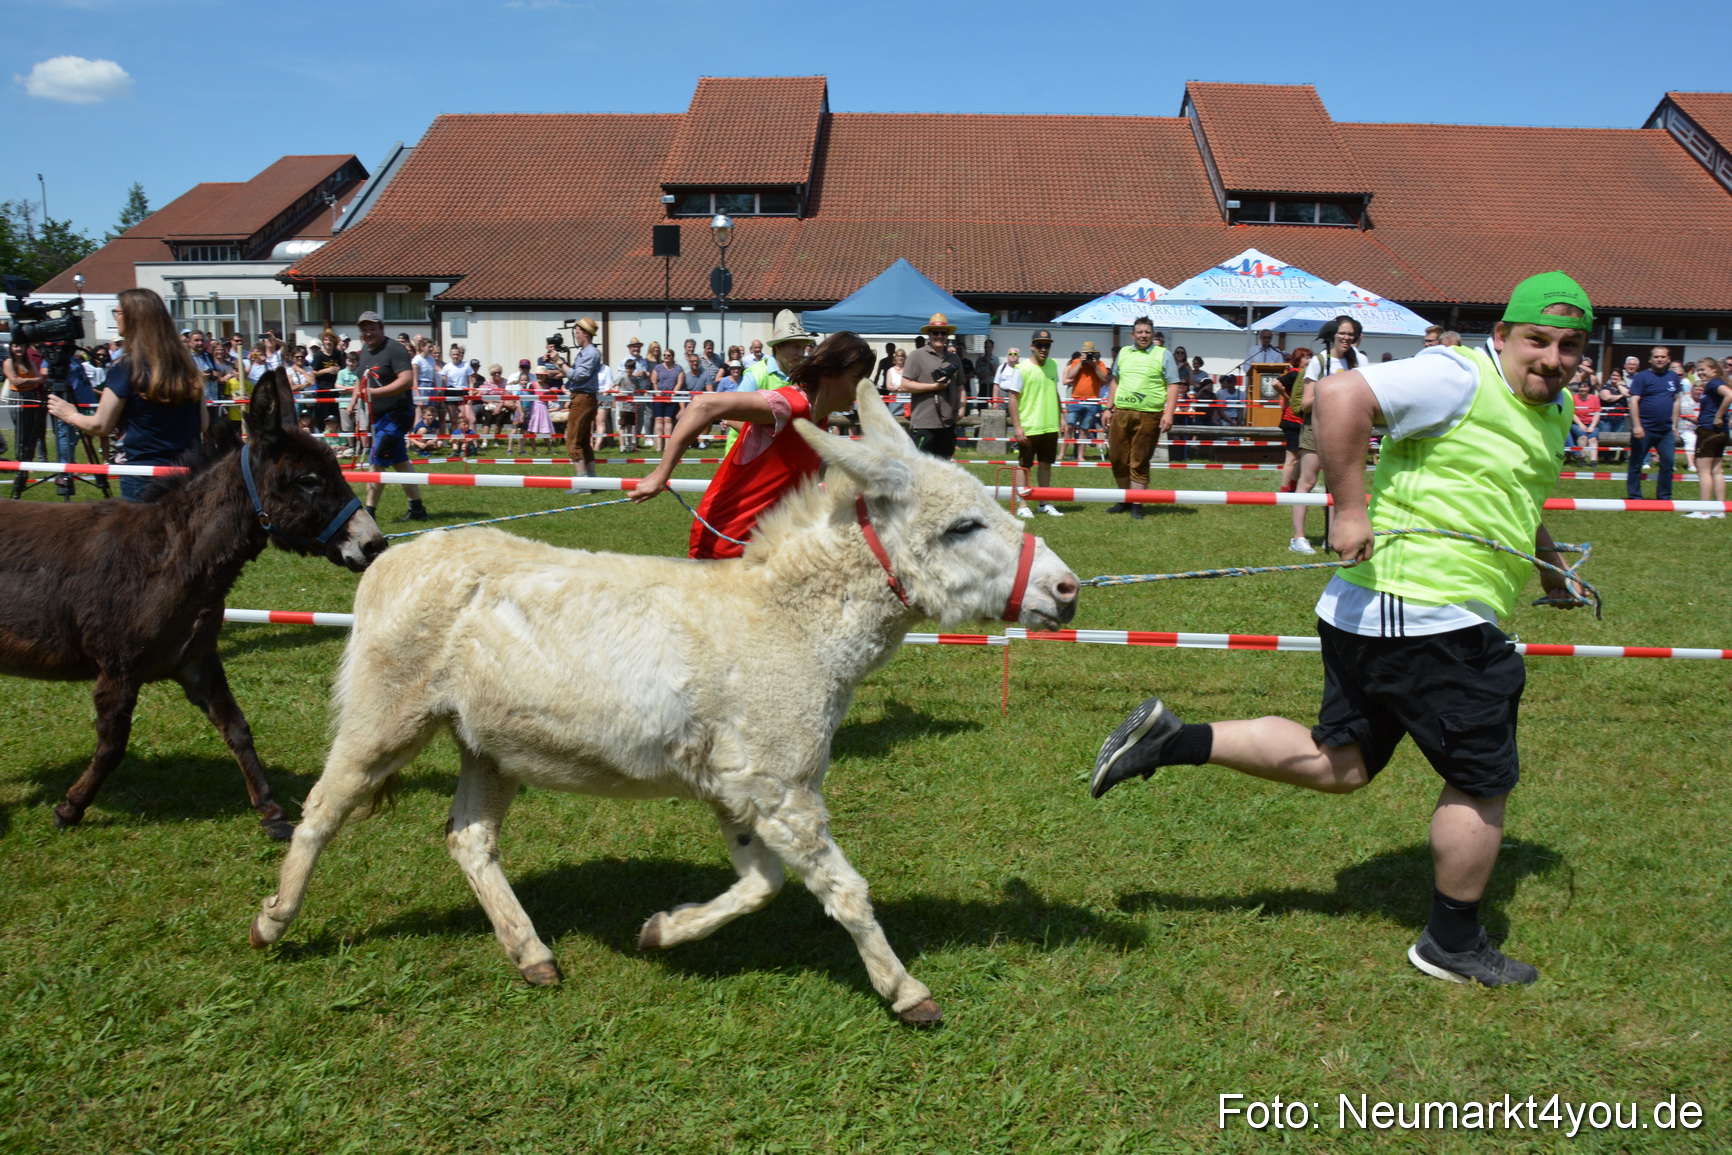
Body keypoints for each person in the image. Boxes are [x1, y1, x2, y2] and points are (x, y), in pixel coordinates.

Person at [1090, 271, 1598, 989]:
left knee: (1343, 764)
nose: (1552, 357)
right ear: (1504, 337)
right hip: (1425, 614)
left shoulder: (1553, 407)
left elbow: (1510, 491)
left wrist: (1548, 568)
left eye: (1569, 345)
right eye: (1537, 340)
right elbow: (1340, 395)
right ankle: (1451, 941)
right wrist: (1349, 508)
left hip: (1378, 612)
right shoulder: (1459, 375)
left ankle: (1173, 738)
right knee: (1482, 781)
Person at [632, 331, 875, 558]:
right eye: (857, 379)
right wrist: (660, 474)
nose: (863, 389)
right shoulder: (788, 405)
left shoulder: (818, 416)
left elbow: (802, 469)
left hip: (767, 547)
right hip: (727, 542)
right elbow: (703, 405)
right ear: (829, 373)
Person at [47, 288, 206, 502]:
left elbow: (100, 425)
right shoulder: (187, 366)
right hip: (189, 473)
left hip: (144, 476)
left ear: (133, 318)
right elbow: (203, 423)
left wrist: (69, 414)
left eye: (118, 312)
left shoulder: (126, 367)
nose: (116, 317)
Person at [1289, 315, 1365, 554]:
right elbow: (1306, 403)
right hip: (1316, 427)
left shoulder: (1360, 361)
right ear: (1332, 334)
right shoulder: (1319, 361)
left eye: (1351, 334)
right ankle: (1298, 537)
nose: (1346, 338)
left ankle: (1333, 536)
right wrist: (1332, 390)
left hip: (1345, 429)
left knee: (1338, 485)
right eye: (1342, 333)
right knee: (1308, 481)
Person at [351, 310, 427, 522]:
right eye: (364, 329)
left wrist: (374, 393)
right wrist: (354, 401)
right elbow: (361, 380)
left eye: (372, 328)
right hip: (379, 417)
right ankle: (417, 508)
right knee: (400, 461)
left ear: (381, 328)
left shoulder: (395, 349)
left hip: (398, 414)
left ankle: (369, 513)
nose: (368, 333)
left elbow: (405, 380)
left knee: (377, 460)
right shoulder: (364, 351)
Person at [1102, 317, 1180, 519]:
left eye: (1147, 332)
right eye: (1140, 332)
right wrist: (1108, 408)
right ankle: (1124, 499)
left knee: (1139, 460)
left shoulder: (1164, 355)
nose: (1144, 335)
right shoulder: (1123, 353)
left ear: (1152, 334)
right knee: (1118, 458)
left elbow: (1173, 384)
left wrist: (1169, 413)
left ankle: (1137, 503)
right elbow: (1115, 381)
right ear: (1133, 335)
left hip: (1149, 415)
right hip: (1121, 413)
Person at [728, 311, 817, 453]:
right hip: (744, 454)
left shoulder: (802, 377)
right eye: (795, 347)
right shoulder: (756, 375)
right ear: (778, 347)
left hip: (778, 455)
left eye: (802, 347)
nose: (800, 353)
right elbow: (732, 417)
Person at [1005, 329, 1064, 518]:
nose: (1043, 349)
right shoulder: (1022, 369)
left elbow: (1054, 392)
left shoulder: (1053, 365)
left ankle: (1044, 503)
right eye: (1039, 345)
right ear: (1032, 347)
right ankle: (1023, 505)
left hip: (1049, 425)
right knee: (1025, 466)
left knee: (1046, 464)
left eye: (1046, 345)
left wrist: (1061, 416)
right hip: (1029, 426)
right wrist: (1017, 426)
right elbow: (1012, 398)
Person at [902, 313, 966, 459]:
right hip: (923, 424)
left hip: (947, 424)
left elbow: (960, 386)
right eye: (935, 332)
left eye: (943, 332)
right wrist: (933, 387)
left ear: (947, 335)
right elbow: (905, 385)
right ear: (929, 334)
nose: (939, 336)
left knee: (944, 469)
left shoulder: (954, 358)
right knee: (919, 469)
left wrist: (961, 409)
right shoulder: (916, 356)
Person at [1626, 345, 1682, 500]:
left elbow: (1676, 400)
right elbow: (1633, 401)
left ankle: (1664, 497)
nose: (1659, 359)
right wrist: (1637, 425)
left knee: (1668, 464)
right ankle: (1635, 496)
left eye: (1663, 357)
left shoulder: (1674, 377)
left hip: (1665, 431)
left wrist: (1675, 425)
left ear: (1668, 359)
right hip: (1644, 429)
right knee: (1636, 464)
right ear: (1650, 359)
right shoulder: (1642, 377)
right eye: (1656, 357)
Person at [1687, 357, 1730, 519]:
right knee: (1716, 471)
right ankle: (1719, 510)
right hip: (1721, 432)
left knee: (1703, 471)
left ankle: (1703, 510)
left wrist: (1718, 416)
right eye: (1698, 370)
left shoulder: (1713, 383)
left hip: (1709, 431)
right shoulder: (1714, 384)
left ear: (1714, 370)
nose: (1700, 372)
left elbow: (1730, 395)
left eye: (1703, 369)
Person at [560, 317, 602, 476]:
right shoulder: (586, 353)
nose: (576, 336)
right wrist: (557, 363)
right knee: (583, 441)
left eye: (577, 332)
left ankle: (582, 483)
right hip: (584, 398)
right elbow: (573, 374)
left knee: (572, 441)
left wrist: (560, 362)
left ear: (585, 333)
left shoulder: (590, 353)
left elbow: (578, 376)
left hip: (582, 398)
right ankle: (591, 480)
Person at [1274, 348, 1313, 494]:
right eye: (1306, 357)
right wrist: (1287, 397)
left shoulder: (1305, 374)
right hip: (1292, 420)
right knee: (1291, 458)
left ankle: (1292, 486)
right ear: (1298, 359)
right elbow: (1275, 383)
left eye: (1310, 357)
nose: (1309, 360)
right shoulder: (1295, 373)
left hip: (1300, 420)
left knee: (1301, 457)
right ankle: (1284, 491)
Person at [1062, 341, 1107, 461]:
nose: (1088, 356)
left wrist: (1095, 366)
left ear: (1095, 353)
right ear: (1082, 354)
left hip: (1092, 401)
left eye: (1090, 354)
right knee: (1069, 427)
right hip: (1076, 399)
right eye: (1086, 354)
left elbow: (1104, 378)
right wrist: (1081, 362)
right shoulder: (1077, 362)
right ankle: (1061, 454)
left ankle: (1080, 456)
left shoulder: (1100, 364)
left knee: (1084, 429)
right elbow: (1070, 375)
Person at [309, 331, 345, 430]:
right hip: (323, 390)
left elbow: (344, 369)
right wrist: (327, 370)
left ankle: (337, 437)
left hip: (336, 390)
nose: (328, 342)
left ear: (333, 342)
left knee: (335, 415)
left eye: (330, 340)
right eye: (326, 340)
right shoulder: (319, 355)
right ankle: (322, 435)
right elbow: (313, 373)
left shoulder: (338, 354)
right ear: (323, 342)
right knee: (322, 415)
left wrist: (338, 370)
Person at [1597, 369, 1630, 463]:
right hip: (1606, 418)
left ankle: (1612, 458)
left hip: (1620, 419)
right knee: (1605, 438)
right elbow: (1607, 398)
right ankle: (1602, 458)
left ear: (1621, 378)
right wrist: (1620, 396)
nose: (1615, 377)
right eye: (1613, 375)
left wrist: (1619, 386)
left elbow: (1628, 394)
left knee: (1616, 439)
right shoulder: (1606, 386)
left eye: (1617, 376)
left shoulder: (1623, 387)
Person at [1568, 372, 1600, 463]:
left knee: (1593, 439)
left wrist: (1592, 426)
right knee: (1583, 438)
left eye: (1585, 387)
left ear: (1589, 388)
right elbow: (1573, 413)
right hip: (1577, 424)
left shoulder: (1595, 398)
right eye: (1581, 387)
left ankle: (1593, 461)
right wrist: (1581, 425)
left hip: (1592, 423)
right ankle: (1581, 459)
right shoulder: (1574, 398)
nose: (1583, 389)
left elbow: (1597, 413)